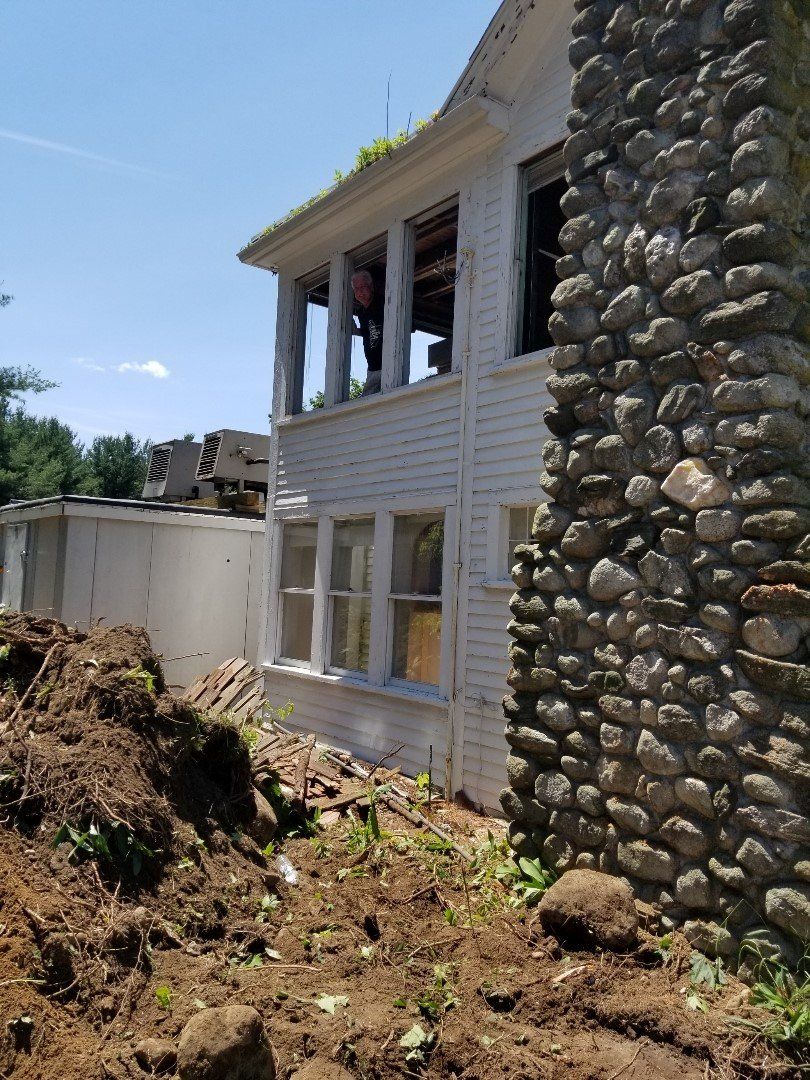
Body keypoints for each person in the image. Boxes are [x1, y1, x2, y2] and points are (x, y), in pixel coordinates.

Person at [351, 269, 384, 396]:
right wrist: (355, 331)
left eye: (363, 287)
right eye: (356, 289)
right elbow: (367, 332)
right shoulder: (362, 312)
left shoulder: (383, 304)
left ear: (371, 286)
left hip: (388, 363)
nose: (360, 292)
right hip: (373, 367)